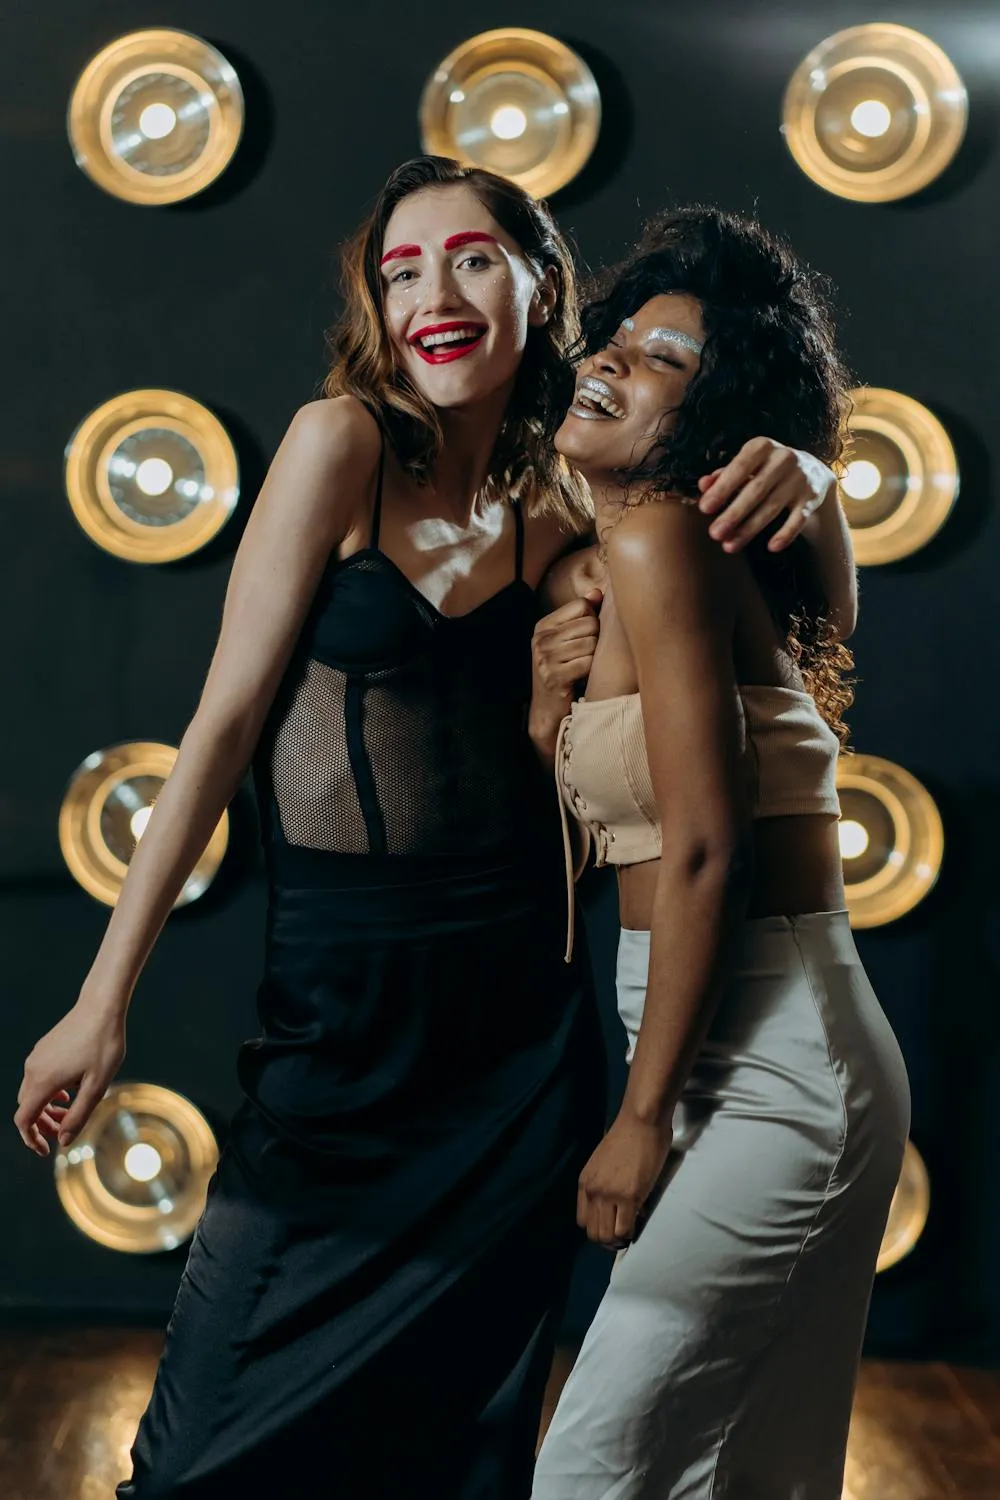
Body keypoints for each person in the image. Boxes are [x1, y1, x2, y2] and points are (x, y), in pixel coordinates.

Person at [14, 161, 850, 1499]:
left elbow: (787, 610)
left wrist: (811, 467)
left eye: (467, 260)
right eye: (400, 270)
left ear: (538, 285)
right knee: (189, 1469)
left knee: (455, 1458)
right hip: (333, 1048)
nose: (429, 294)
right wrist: (101, 1000)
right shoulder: (338, 445)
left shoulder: (582, 509)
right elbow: (220, 732)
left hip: (518, 1056)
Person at [529, 207, 910, 1500]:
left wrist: (640, 1118)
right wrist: (549, 715)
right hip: (711, 1031)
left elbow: (703, 851)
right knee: (728, 1472)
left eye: (665, 362)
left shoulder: (660, 540)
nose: (613, 364)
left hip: (774, 1056)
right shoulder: (617, 561)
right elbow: (626, 836)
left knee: (598, 1463)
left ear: (712, 419)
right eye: (618, 340)